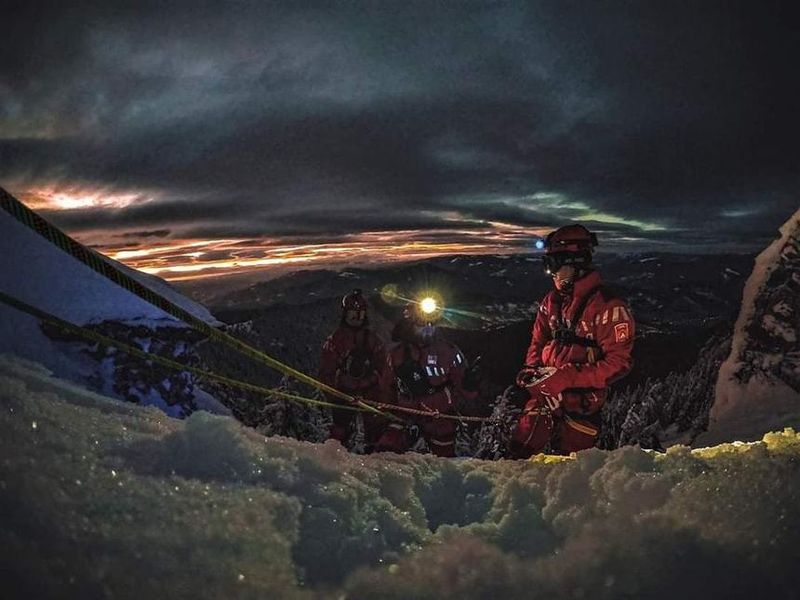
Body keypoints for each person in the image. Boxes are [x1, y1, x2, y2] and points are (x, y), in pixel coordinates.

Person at [511, 224, 635, 457]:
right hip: (546, 396)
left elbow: (619, 363)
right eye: (550, 266)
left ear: (576, 262)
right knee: (521, 446)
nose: (553, 273)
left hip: (582, 404)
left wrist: (568, 377)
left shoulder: (609, 306)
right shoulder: (552, 302)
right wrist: (531, 371)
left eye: (556, 265)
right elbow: (538, 340)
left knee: (571, 465)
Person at [376, 301, 480, 457]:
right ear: (410, 324)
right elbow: (386, 387)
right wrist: (383, 411)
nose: (427, 327)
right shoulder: (396, 355)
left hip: (439, 417)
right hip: (405, 414)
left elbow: (465, 390)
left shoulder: (449, 352)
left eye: (430, 322)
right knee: (386, 452)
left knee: (443, 460)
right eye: (421, 322)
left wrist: (470, 384)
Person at [319, 289, 387, 450]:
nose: (357, 319)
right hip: (343, 392)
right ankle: (335, 458)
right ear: (345, 315)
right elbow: (326, 371)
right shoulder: (336, 340)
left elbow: (383, 366)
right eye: (353, 315)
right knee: (340, 431)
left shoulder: (372, 339)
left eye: (360, 315)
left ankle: (374, 458)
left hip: (370, 392)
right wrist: (336, 392)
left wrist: (374, 382)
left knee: (375, 430)